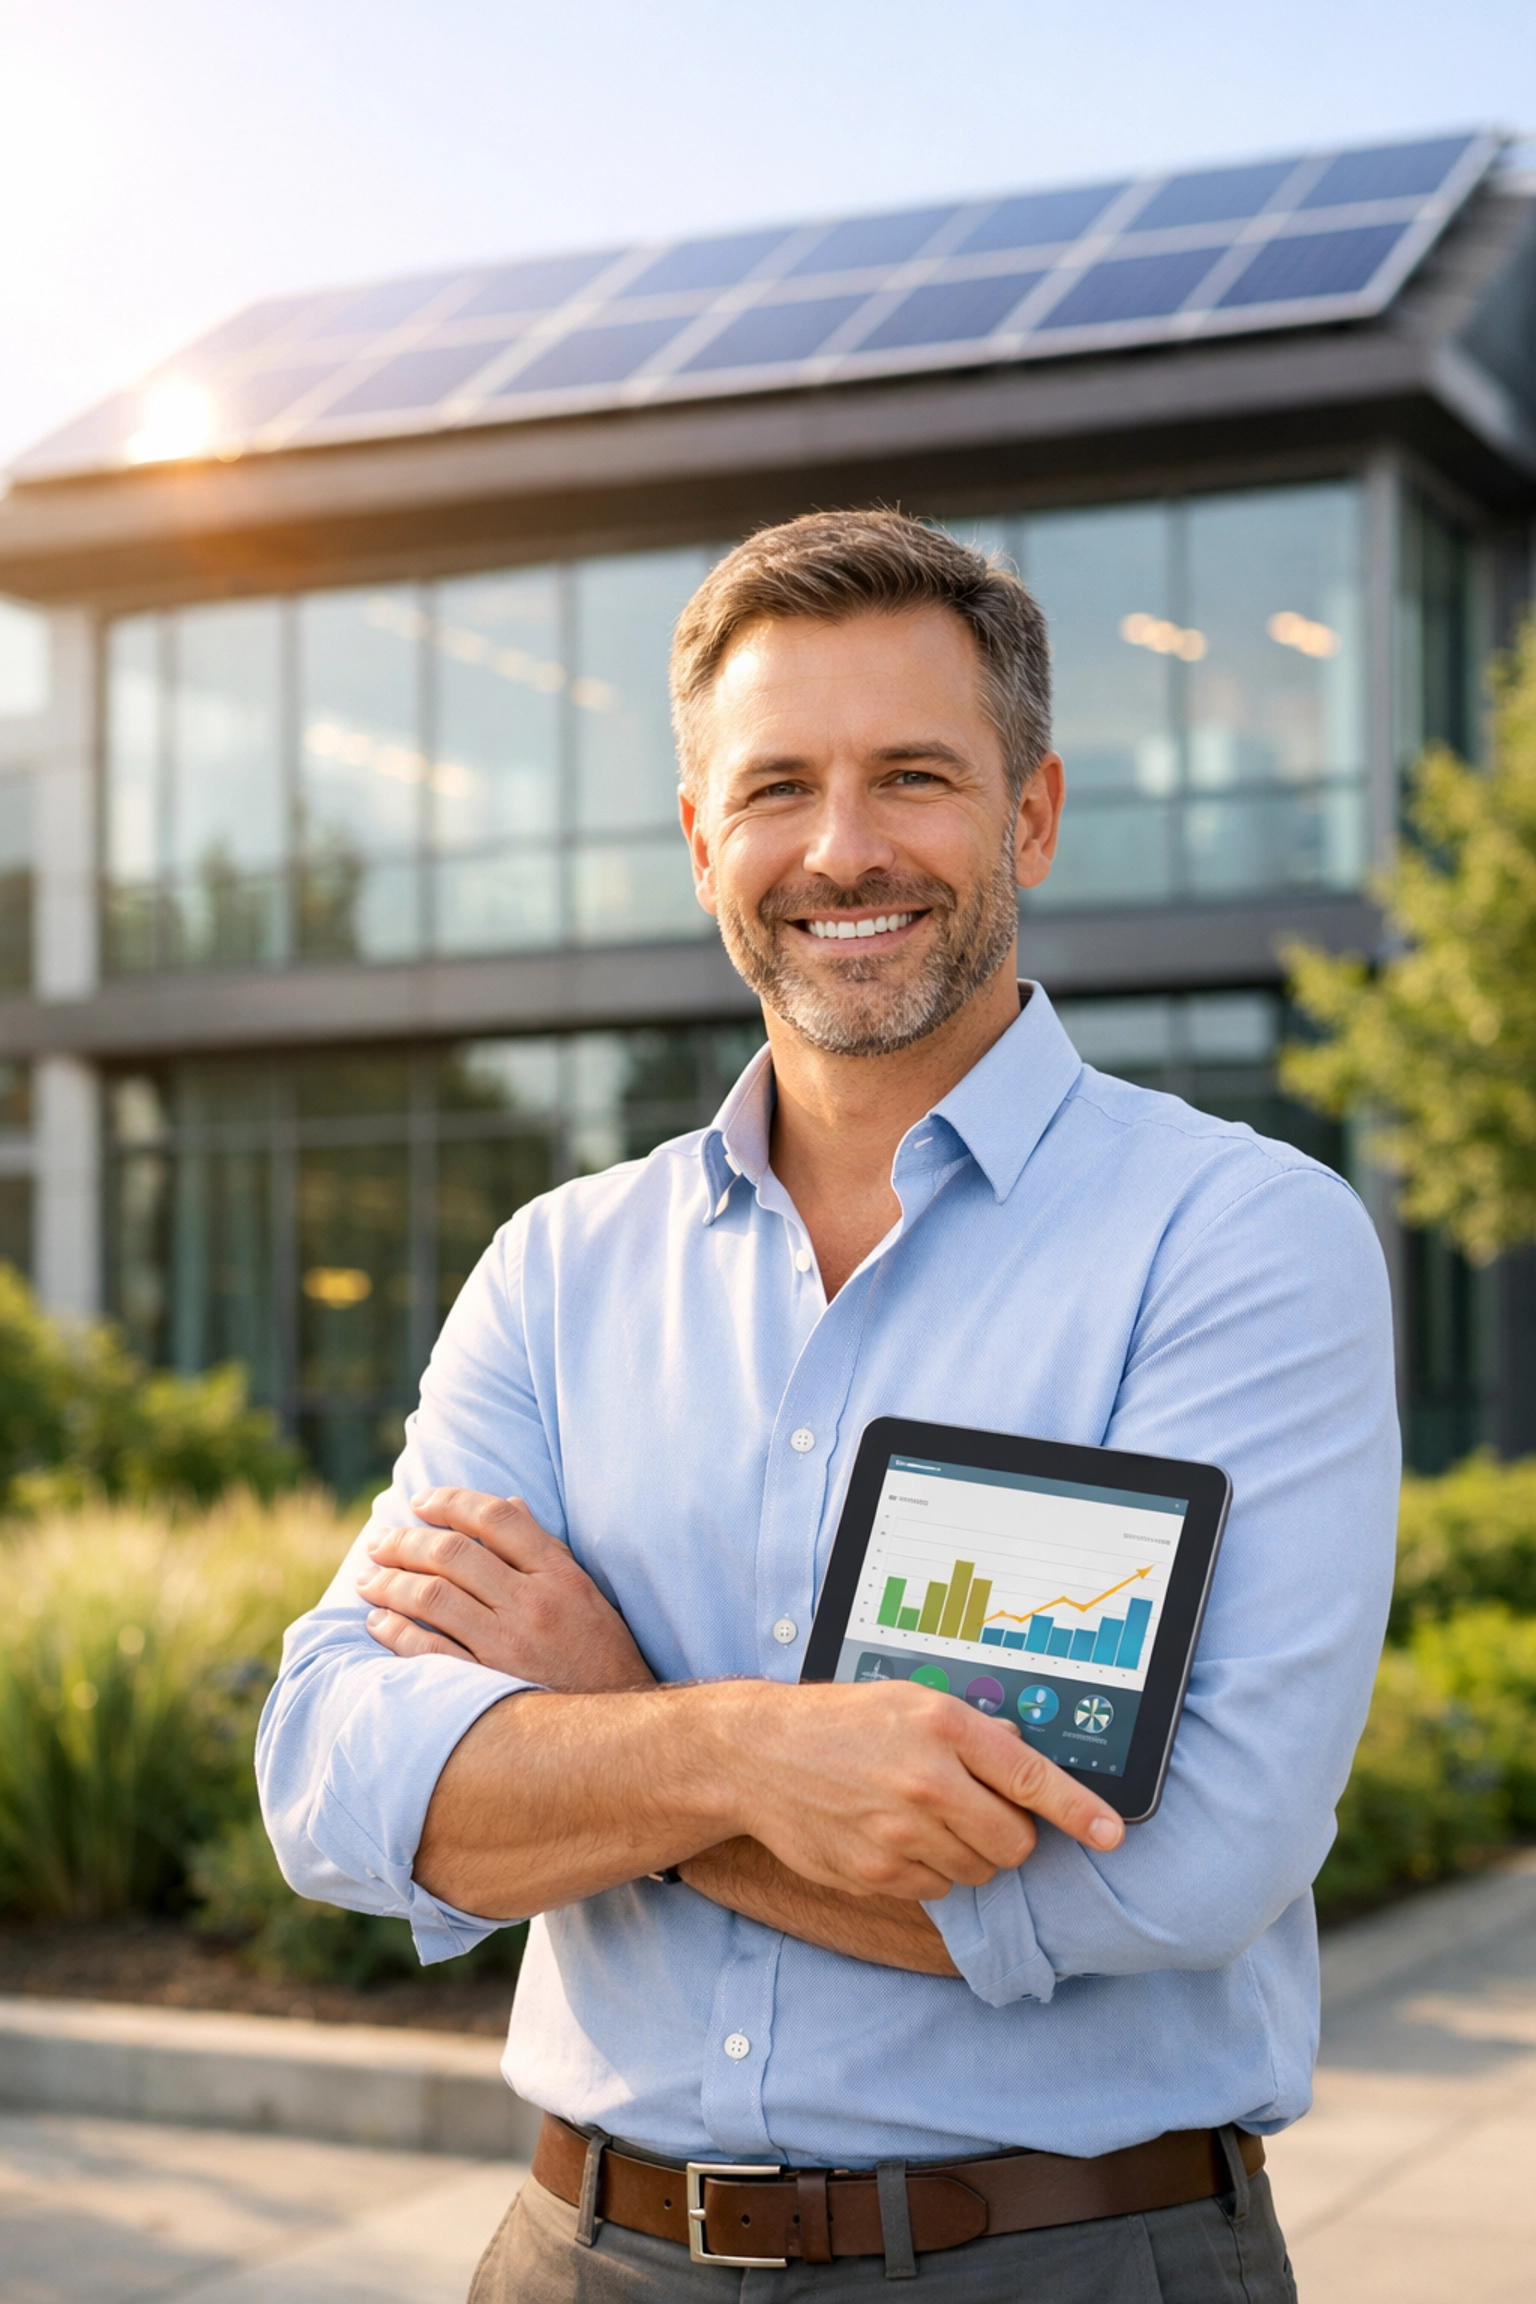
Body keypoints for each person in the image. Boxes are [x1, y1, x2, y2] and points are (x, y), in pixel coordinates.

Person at [259, 510, 1399, 2302]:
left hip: (1067, 2263)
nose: (842, 848)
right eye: (777, 784)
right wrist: (749, 1759)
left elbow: (1177, 1875)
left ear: (1029, 814)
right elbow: (333, 1773)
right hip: (580, 2255)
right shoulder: (561, 1273)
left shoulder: (1234, 1243)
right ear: (705, 834)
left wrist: (609, 1727)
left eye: (914, 777)